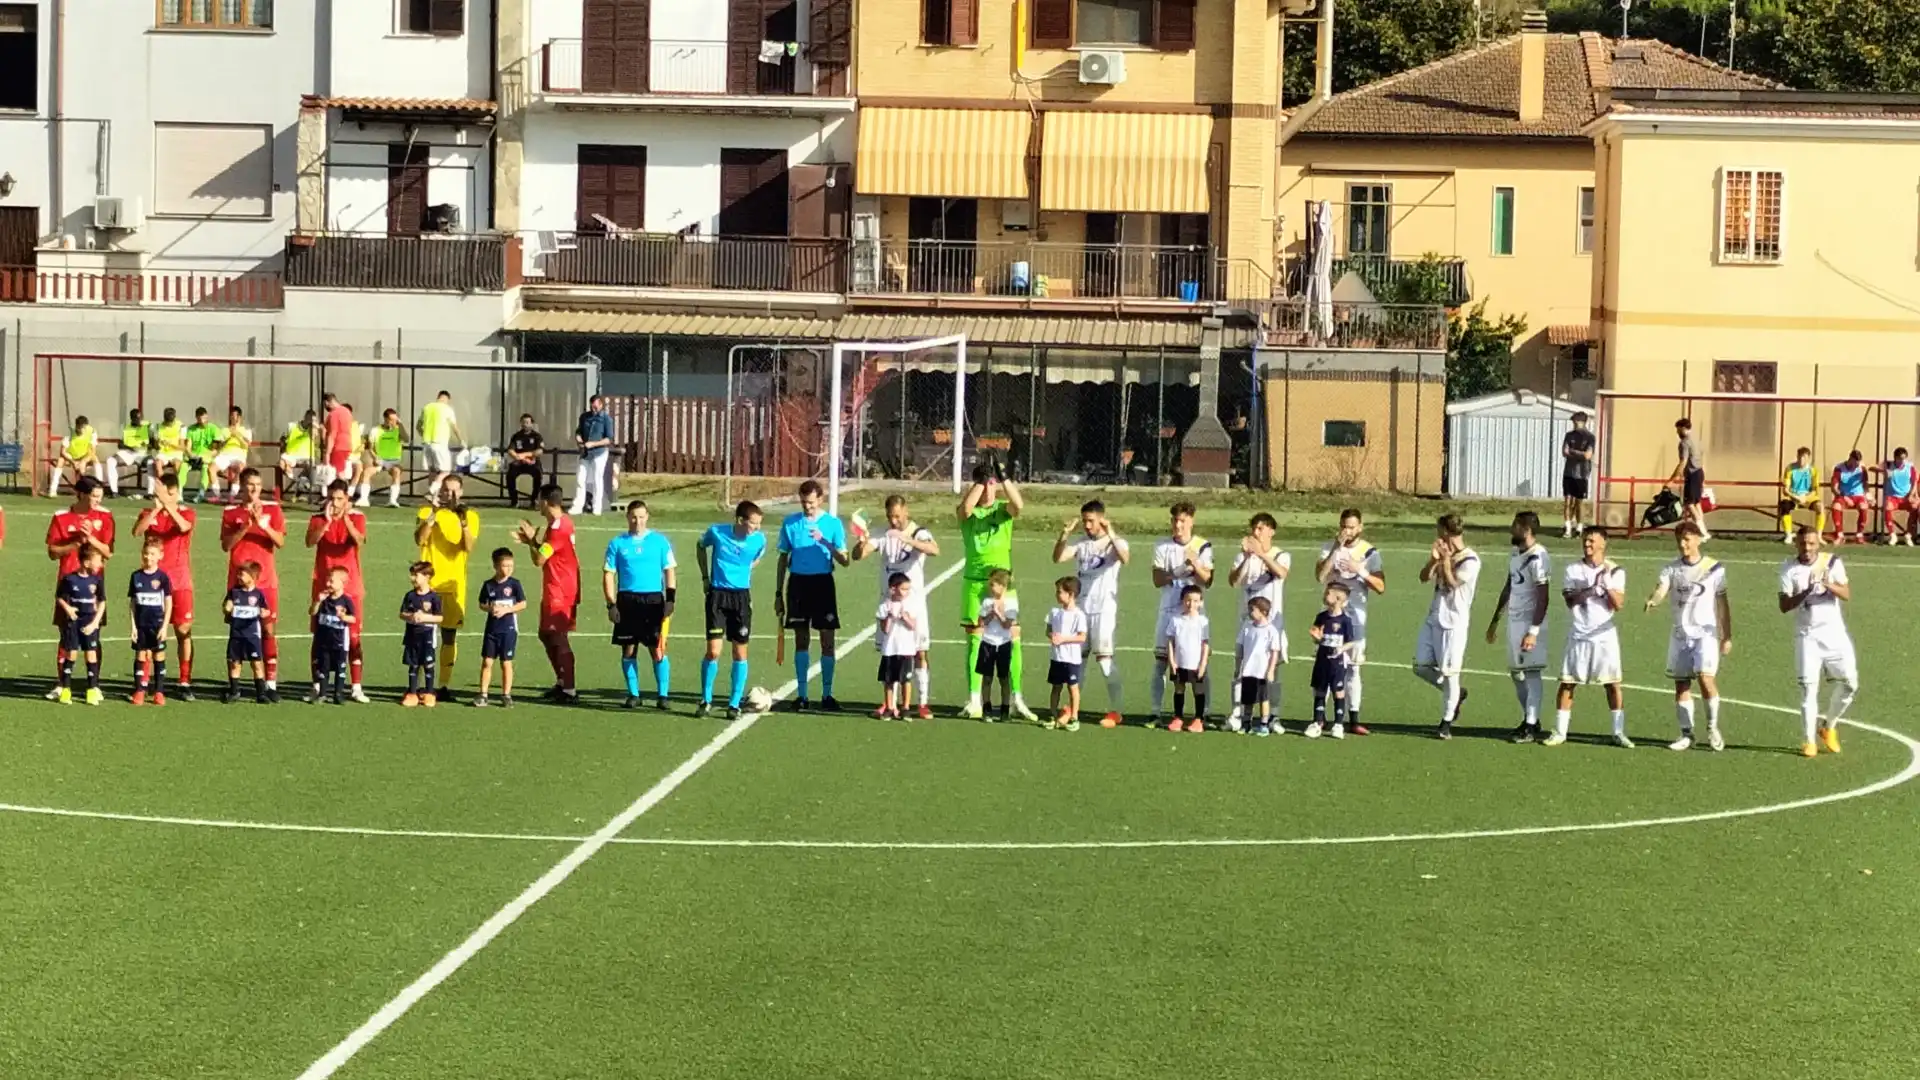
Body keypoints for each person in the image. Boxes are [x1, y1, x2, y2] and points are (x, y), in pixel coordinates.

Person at [1644, 521, 1731, 752]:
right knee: (1681, 684)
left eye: (1687, 539)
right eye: (1680, 540)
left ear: (1698, 539)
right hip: (1680, 634)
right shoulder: (1671, 569)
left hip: (1705, 634)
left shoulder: (1714, 569)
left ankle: (1712, 727)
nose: (1683, 544)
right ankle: (1686, 733)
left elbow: (1722, 604)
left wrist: (1727, 635)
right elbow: (1661, 588)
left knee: (1705, 678)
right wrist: (1654, 599)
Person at [957, 461, 1034, 720]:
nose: (989, 490)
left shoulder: (1003, 511)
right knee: (977, 641)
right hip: (976, 584)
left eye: (991, 485)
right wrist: (981, 480)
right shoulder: (967, 515)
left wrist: (1003, 477)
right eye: (983, 484)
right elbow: (967, 508)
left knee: (1012, 638)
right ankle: (974, 699)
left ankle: (1016, 698)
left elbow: (1019, 505)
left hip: (1003, 584)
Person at [853, 495, 939, 718]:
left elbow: (934, 549)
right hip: (889, 603)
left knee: (920, 652)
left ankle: (921, 702)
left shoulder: (918, 532)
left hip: (914, 606)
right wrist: (862, 540)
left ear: (906, 511)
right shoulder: (883, 533)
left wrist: (907, 539)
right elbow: (858, 556)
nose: (894, 521)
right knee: (889, 653)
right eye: (890, 517)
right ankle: (889, 703)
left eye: (898, 517)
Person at [1779, 527, 1857, 758]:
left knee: (1851, 684)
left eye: (1811, 544)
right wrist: (1804, 592)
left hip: (1835, 634)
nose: (1807, 548)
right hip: (1807, 637)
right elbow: (1783, 606)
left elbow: (1846, 594)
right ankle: (1808, 740)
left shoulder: (1832, 563)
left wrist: (1827, 584)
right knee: (1808, 689)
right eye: (1803, 544)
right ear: (1797, 544)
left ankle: (1828, 726)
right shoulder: (1788, 569)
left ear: (1818, 544)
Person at [1551, 526, 1630, 748]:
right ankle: (1559, 731)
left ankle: (1618, 732)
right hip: (1579, 633)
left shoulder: (1616, 571)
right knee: (1568, 682)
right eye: (1585, 541)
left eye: (1592, 541)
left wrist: (1607, 586)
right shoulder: (1573, 569)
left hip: (1604, 636)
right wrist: (1592, 590)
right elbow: (1569, 600)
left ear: (1603, 544)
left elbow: (1618, 604)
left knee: (1612, 684)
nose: (1587, 545)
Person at [1053, 500, 1130, 727]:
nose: (1087, 525)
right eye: (1084, 521)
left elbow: (1125, 558)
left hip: (1103, 609)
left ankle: (1116, 711)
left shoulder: (1114, 543)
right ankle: (1072, 708)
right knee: (1077, 661)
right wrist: (1064, 535)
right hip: (1081, 609)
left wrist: (1111, 532)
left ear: (1101, 519)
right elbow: (1057, 558)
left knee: (1105, 660)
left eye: (1091, 521)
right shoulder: (1082, 543)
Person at [775, 479, 850, 711]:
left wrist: (824, 542)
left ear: (820, 500)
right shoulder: (790, 524)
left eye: (811, 502)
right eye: (803, 502)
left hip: (822, 584)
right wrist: (778, 592)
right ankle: (803, 695)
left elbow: (845, 561)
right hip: (798, 584)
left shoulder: (833, 524)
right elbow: (782, 558)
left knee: (827, 640)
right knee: (801, 640)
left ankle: (827, 694)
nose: (807, 507)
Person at [1315, 509, 1385, 735]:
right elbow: (1320, 577)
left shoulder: (1370, 552)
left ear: (1360, 527)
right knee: (1327, 665)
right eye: (1345, 526)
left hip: (1355, 618)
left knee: (1353, 668)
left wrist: (1360, 570)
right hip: (1331, 616)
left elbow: (1381, 586)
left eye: (1353, 527)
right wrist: (1336, 550)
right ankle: (1320, 718)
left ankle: (1353, 718)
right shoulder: (1330, 547)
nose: (1348, 531)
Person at [695, 500, 766, 719]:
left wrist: (743, 572)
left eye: (758, 524)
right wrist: (706, 577)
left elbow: (756, 558)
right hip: (717, 596)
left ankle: (734, 703)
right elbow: (700, 546)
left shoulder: (759, 540)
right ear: (740, 520)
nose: (756, 528)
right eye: (753, 524)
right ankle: (705, 700)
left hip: (741, 599)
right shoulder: (717, 532)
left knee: (739, 652)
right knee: (713, 651)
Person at [45, 477, 114, 698]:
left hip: (93, 586)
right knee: (66, 634)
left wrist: (90, 538)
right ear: (81, 494)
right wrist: (75, 544)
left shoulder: (105, 517)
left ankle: (94, 684)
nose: (97, 501)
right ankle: (61, 683)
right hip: (68, 584)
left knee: (94, 633)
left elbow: (108, 553)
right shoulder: (61, 517)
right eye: (94, 496)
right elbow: (52, 552)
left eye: (99, 497)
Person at [604, 499, 677, 709]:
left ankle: (663, 696)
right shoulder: (617, 544)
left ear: (647, 517)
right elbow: (608, 574)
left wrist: (670, 599)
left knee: (657, 649)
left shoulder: (660, 542)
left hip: (653, 600)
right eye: (634, 517)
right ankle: (634, 694)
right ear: (627, 517)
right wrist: (611, 604)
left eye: (641, 517)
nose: (638, 521)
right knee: (628, 650)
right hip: (627, 600)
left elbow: (669, 571)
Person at [221, 468, 286, 701]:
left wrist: (263, 524)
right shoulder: (231, 512)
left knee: (268, 631)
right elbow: (226, 545)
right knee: (237, 631)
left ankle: (269, 684)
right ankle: (236, 686)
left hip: (266, 581)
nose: (254, 489)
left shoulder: (272, 510)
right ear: (241, 485)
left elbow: (280, 541)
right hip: (238, 585)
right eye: (249, 484)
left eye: (258, 484)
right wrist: (246, 526)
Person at [1486, 511, 1551, 743]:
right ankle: (1529, 717)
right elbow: (1508, 587)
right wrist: (1495, 620)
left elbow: (1544, 597)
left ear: (1526, 529)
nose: (1511, 529)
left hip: (1530, 622)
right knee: (1516, 672)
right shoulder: (1515, 554)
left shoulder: (1538, 557)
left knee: (1532, 673)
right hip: (1514, 621)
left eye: (1514, 525)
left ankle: (1531, 726)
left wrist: (1534, 630)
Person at [1413, 514, 1480, 740]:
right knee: (1421, 665)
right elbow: (1423, 577)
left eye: (1439, 531)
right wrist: (1433, 560)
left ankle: (1446, 721)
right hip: (1434, 616)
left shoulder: (1471, 560)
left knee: (1450, 673)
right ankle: (1456, 694)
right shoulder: (1442, 552)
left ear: (1445, 532)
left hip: (1454, 622)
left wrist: (1445, 560)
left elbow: (1452, 584)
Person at [133, 473, 198, 700]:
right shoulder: (149, 514)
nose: (166, 498)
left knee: (183, 630)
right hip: (153, 584)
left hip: (180, 581)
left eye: (170, 494)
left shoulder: (186, 513)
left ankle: (184, 680)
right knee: (150, 631)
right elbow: (137, 532)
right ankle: (146, 681)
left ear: (177, 493)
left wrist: (168, 507)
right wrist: (154, 510)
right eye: (163, 494)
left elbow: (183, 527)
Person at [415, 475, 480, 700]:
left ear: (461, 492)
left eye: (454, 491)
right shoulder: (426, 512)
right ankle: (421, 684)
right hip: (428, 585)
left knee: (449, 636)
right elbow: (419, 539)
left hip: (453, 585)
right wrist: (434, 514)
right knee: (423, 636)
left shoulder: (470, 516)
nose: (449, 495)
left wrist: (461, 522)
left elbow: (468, 546)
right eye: (446, 490)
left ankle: (443, 685)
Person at [306, 479, 371, 702]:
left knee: (353, 638)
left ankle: (356, 686)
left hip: (350, 587)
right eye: (332, 498)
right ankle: (317, 685)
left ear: (347, 500)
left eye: (340, 499)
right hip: (323, 584)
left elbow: (359, 540)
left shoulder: (357, 518)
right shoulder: (318, 518)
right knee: (319, 636)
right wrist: (326, 522)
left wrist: (344, 519)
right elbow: (309, 541)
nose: (335, 503)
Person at [514, 485, 580, 703]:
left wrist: (531, 541)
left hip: (560, 590)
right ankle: (562, 682)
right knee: (546, 634)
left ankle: (569, 690)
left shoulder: (558, 528)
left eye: (539, 500)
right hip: (556, 586)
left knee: (557, 636)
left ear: (545, 502)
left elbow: (538, 560)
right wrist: (533, 541)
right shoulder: (559, 523)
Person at [1150, 502, 1214, 725]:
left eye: (1183, 521)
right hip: (1169, 611)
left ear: (1191, 522)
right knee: (1161, 662)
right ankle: (1155, 712)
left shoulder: (1202, 546)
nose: (1178, 525)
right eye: (1175, 520)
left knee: (1200, 666)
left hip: (1194, 616)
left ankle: (1203, 712)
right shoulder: (1162, 546)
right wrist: (1178, 571)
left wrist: (1194, 564)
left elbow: (1208, 579)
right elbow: (1158, 580)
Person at [1226, 512, 1288, 733]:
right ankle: (1238, 713)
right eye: (1254, 528)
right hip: (1247, 624)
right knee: (1241, 668)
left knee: (1273, 671)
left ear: (1271, 531)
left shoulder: (1281, 554)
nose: (1255, 532)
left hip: (1272, 625)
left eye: (1261, 528)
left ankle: (1273, 715)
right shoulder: (1243, 556)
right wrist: (1245, 558)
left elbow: (1280, 573)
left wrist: (1261, 555)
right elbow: (1233, 581)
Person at [55, 546, 108, 705]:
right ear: (86, 562)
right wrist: (68, 608)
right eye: (98, 560)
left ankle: (91, 690)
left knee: (91, 654)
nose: (101, 564)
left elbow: (102, 602)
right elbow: (59, 596)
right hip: (74, 623)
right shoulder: (70, 579)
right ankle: (66, 689)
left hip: (90, 622)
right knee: (71, 654)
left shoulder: (97, 580)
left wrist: (95, 622)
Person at [476, 548, 527, 708]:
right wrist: (490, 609)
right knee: (487, 662)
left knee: (506, 663)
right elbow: (482, 604)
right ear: (496, 566)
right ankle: (483, 694)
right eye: (505, 566)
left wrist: (506, 610)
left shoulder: (514, 584)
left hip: (508, 629)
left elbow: (523, 603)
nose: (509, 569)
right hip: (492, 629)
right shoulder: (489, 585)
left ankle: (506, 694)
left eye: (511, 565)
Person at [1304, 585, 1357, 739]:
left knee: (1338, 692)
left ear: (1339, 599)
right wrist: (1316, 638)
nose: (1324, 595)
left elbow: (1351, 641)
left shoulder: (1345, 620)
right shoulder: (1321, 617)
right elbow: (1316, 638)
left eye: (1328, 593)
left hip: (1337, 663)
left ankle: (1338, 724)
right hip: (1322, 660)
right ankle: (1317, 722)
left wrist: (1341, 649)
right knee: (1320, 690)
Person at [127, 536, 175, 706]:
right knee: (140, 655)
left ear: (160, 556)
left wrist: (165, 626)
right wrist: (133, 626)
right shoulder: (136, 576)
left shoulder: (162, 578)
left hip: (157, 625)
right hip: (141, 625)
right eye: (146, 554)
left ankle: (159, 691)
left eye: (153, 554)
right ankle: (140, 690)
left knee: (159, 656)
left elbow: (168, 603)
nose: (149, 557)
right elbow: (133, 603)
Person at [1163, 584, 1211, 732]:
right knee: (1179, 689)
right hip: (1180, 662)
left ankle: (1198, 719)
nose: (1191, 604)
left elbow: (1205, 644)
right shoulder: (1176, 620)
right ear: (1182, 601)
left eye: (1196, 601)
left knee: (1198, 690)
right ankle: (1178, 717)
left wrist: (1203, 664)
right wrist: (1172, 661)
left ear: (1201, 603)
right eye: (1188, 600)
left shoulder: (1203, 621)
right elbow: (1171, 641)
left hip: (1196, 663)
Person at [1237, 595, 1285, 737]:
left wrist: (1270, 670)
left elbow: (1274, 652)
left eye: (1253, 610)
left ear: (1263, 612)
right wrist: (1237, 666)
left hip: (1262, 671)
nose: (1250, 613)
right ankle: (1247, 724)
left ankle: (1264, 724)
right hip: (1248, 670)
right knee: (1248, 699)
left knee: (1263, 698)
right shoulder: (1247, 627)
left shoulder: (1271, 630)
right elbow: (1240, 646)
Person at [973, 568, 1017, 722]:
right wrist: (990, 613)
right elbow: (980, 623)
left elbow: (1007, 625)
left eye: (993, 585)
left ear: (1002, 586)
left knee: (1004, 678)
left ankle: (1005, 710)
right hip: (988, 643)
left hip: (1003, 643)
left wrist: (999, 614)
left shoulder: (1011, 603)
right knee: (987, 678)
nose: (990, 588)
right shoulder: (986, 602)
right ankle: (986, 708)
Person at [1045, 576, 1088, 731]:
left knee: (1072, 688)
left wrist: (1063, 639)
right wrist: (1052, 637)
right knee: (1056, 687)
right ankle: (1052, 714)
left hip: (1071, 659)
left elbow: (1082, 636)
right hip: (1056, 657)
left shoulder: (1078, 615)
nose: (1057, 595)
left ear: (1071, 594)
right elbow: (1048, 630)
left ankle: (1074, 717)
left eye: (1060, 592)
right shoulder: (1054, 612)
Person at [875, 573, 920, 722]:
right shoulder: (884, 605)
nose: (906, 592)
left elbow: (913, 625)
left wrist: (904, 616)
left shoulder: (911, 604)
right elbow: (885, 629)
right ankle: (889, 707)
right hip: (890, 648)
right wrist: (889, 616)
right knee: (888, 680)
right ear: (893, 589)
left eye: (908, 589)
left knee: (905, 680)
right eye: (903, 589)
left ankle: (905, 707)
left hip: (906, 649)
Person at [399, 560, 445, 707]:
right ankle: (412, 693)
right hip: (412, 636)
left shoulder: (434, 597)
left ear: (427, 577)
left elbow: (440, 617)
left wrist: (425, 618)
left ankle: (429, 693)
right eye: (412, 575)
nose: (412, 578)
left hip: (428, 636)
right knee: (413, 665)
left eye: (415, 575)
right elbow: (402, 613)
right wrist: (411, 617)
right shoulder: (410, 596)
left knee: (428, 665)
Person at [307, 567, 356, 705]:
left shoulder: (346, 601)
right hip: (324, 641)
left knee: (340, 668)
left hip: (340, 641)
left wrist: (343, 616)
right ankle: (322, 693)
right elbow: (312, 612)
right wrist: (317, 601)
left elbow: (353, 619)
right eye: (328, 580)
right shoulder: (324, 599)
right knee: (324, 668)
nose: (328, 583)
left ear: (342, 583)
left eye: (332, 581)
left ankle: (338, 694)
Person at [223, 561, 269, 704]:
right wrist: (227, 608)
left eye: (242, 574)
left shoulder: (258, 594)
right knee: (235, 663)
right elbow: (226, 608)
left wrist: (264, 613)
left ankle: (261, 693)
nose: (238, 577)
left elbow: (266, 610)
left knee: (256, 663)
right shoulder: (234, 592)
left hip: (252, 635)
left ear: (253, 576)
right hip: (236, 634)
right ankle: (234, 691)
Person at [571, 396, 614, 515]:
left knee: (597, 479)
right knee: (580, 478)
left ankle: (597, 507)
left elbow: (608, 439)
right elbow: (578, 432)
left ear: (601, 405)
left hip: (599, 453)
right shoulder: (584, 417)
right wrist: (579, 440)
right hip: (585, 453)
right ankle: (578, 506)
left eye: (595, 406)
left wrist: (594, 444)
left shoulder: (606, 419)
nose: (593, 409)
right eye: (592, 406)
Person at [418, 390, 464, 503]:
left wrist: (424, 436)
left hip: (427, 444)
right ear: (447, 399)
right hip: (439, 443)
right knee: (446, 471)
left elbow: (418, 426)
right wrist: (461, 440)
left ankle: (434, 499)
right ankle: (431, 491)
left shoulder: (427, 407)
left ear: (438, 397)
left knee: (433, 472)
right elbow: (454, 426)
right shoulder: (447, 409)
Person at [1667, 416, 1709, 540]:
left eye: (1678, 430)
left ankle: (1702, 532)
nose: (1677, 433)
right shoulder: (1697, 440)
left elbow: (1683, 461)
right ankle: (1704, 531)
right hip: (1699, 472)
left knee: (1690, 504)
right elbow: (1703, 457)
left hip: (1692, 474)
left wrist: (1672, 479)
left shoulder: (1685, 442)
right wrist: (1703, 477)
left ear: (1684, 428)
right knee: (1697, 504)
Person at [1561, 411, 1597, 538]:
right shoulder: (1569, 435)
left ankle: (1580, 527)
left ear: (1582, 422)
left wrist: (1574, 452)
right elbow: (1565, 452)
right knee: (1567, 501)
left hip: (1582, 474)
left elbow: (1587, 455)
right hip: (1569, 472)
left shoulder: (1590, 437)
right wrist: (1578, 454)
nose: (1574, 424)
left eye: (1576, 421)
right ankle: (1567, 527)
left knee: (1579, 502)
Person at [1778, 446, 1824, 544]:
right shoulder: (1790, 469)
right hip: (1794, 497)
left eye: (1804, 457)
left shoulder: (1813, 471)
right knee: (1784, 505)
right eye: (1800, 457)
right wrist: (1795, 497)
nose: (1801, 460)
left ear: (1808, 458)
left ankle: (1819, 536)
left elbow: (1815, 490)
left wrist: (1805, 497)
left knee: (1820, 507)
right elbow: (1786, 490)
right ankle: (1788, 535)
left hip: (1808, 498)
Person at [49, 415, 101, 497]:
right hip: (71, 457)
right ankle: (53, 490)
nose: (83, 430)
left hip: (84, 456)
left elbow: (93, 451)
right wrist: (73, 462)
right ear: (77, 426)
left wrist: (83, 462)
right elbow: (62, 451)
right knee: (60, 461)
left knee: (95, 459)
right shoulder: (69, 432)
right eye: (81, 428)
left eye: (85, 428)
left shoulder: (92, 431)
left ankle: (99, 486)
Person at [366, 408, 407, 508]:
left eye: (395, 420)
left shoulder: (398, 430)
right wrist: (375, 457)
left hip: (394, 461)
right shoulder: (375, 430)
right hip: (380, 460)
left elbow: (406, 439)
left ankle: (392, 500)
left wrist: (400, 424)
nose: (393, 422)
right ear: (385, 419)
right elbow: (370, 448)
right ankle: (363, 499)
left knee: (396, 471)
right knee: (366, 472)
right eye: (391, 420)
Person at [505, 414, 546, 510]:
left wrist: (527, 455)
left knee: (538, 474)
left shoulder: (537, 436)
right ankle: (514, 501)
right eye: (523, 422)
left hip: (533, 462)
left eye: (527, 422)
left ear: (532, 424)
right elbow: (511, 450)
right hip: (519, 462)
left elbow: (540, 451)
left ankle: (534, 500)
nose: (525, 424)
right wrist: (520, 458)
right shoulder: (516, 436)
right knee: (510, 475)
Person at [111, 407, 154, 499]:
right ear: (132, 419)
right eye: (137, 419)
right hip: (128, 452)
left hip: (142, 453)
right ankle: (114, 491)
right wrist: (130, 448)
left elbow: (153, 442)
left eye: (140, 418)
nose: (139, 420)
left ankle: (150, 493)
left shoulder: (148, 426)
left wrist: (149, 445)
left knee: (151, 463)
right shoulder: (125, 428)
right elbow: (120, 445)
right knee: (110, 460)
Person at [1829, 450, 1870, 545]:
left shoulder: (1862, 468)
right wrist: (1845, 497)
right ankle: (1839, 535)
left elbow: (1866, 486)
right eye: (1855, 463)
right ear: (1850, 459)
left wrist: (1868, 496)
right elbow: (1834, 488)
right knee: (1836, 507)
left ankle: (1859, 535)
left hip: (1858, 496)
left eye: (1858, 463)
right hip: (1843, 495)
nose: (1856, 465)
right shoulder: (1839, 468)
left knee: (1864, 506)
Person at [319, 396, 358, 496]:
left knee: (338, 473)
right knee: (339, 471)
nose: (325, 407)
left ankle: (344, 496)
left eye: (325, 404)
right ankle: (339, 496)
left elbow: (333, 433)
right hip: (346, 445)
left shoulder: (334, 414)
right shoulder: (346, 412)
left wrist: (327, 452)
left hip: (338, 446)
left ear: (328, 402)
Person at [212, 407, 253, 500]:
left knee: (240, 467)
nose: (233, 418)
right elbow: (218, 445)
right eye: (231, 416)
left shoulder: (246, 430)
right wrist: (225, 440)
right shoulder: (224, 430)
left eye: (235, 416)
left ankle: (232, 495)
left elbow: (246, 445)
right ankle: (217, 495)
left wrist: (237, 435)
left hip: (239, 455)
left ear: (239, 417)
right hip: (224, 454)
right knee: (211, 468)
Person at [1880, 447, 1918, 545]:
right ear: (1895, 458)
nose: (1902, 461)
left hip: (1906, 497)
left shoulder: (1910, 467)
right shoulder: (1888, 465)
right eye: (1900, 458)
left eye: (1904, 458)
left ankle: (1908, 535)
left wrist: (1912, 495)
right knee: (1887, 507)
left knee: (1915, 507)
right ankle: (1892, 535)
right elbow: (1872, 467)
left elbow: (1914, 482)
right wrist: (1884, 470)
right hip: (1893, 497)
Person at [280, 409, 320, 500]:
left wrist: (315, 428)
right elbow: (282, 439)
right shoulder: (292, 426)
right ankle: (297, 480)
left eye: (313, 419)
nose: (310, 421)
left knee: (311, 467)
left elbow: (316, 440)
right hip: (292, 455)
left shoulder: (313, 429)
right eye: (309, 418)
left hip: (307, 456)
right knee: (282, 464)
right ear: (305, 417)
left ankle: (303, 485)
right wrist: (283, 451)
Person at [185, 407, 223, 502]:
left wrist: (206, 457)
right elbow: (188, 447)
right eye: (199, 418)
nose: (201, 421)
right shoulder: (191, 429)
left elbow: (216, 449)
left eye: (203, 418)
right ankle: (178, 494)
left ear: (207, 416)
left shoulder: (214, 429)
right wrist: (191, 456)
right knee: (182, 466)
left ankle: (201, 494)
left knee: (206, 467)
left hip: (207, 458)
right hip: (194, 457)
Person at [153, 408, 188, 488]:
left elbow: (182, 447)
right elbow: (156, 446)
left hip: (176, 453)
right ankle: (163, 486)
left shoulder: (181, 427)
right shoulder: (158, 427)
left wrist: (170, 444)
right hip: (163, 453)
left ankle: (174, 487)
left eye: (170, 422)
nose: (168, 424)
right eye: (167, 422)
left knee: (177, 465)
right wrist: (158, 443)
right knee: (158, 464)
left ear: (174, 418)